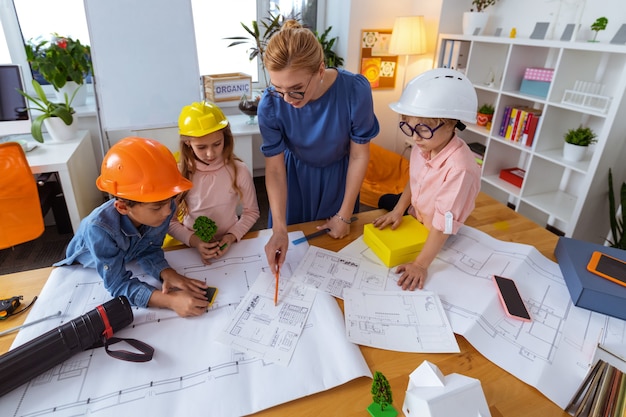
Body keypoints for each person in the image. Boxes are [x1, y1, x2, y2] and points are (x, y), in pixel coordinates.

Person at [258, 19, 379, 271]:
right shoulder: (270, 104)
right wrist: (279, 228)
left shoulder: (355, 92)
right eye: (278, 88)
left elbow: (359, 156)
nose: (287, 99)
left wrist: (344, 214)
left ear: (320, 71)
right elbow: (275, 169)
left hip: (340, 182)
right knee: (295, 259)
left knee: (335, 256)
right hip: (293, 183)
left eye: (296, 89)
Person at [54, 137, 210, 317]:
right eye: (157, 207)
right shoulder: (98, 228)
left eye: (169, 202)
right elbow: (117, 284)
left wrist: (166, 273)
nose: (168, 212)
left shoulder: (163, 208)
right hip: (82, 269)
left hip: (128, 255)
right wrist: (170, 301)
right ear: (122, 207)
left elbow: (148, 249)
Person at [373, 68, 482, 291]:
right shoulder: (424, 145)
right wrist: (398, 210)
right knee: (385, 201)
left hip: (437, 231)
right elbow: (415, 181)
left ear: (452, 123)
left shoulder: (460, 169)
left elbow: (443, 225)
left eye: (423, 129)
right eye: (409, 127)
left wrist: (420, 265)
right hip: (417, 214)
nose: (414, 137)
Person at [168, 101, 260, 264]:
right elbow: (170, 222)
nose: (210, 153)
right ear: (188, 142)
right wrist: (194, 241)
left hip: (231, 243)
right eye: (201, 147)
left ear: (225, 138)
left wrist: (232, 236)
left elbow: (251, 212)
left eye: (217, 144)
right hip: (191, 246)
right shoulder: (178, 173)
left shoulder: (239, 170)